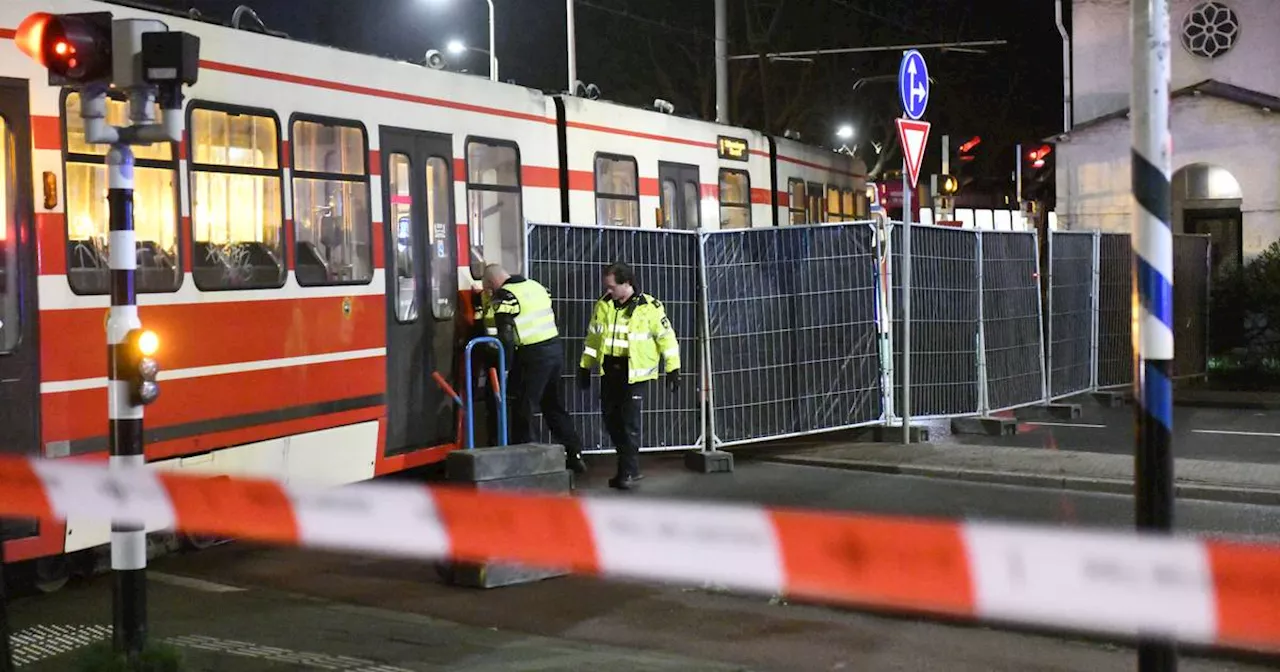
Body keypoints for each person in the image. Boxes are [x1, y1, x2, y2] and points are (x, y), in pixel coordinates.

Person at [577, 262, 680, 490]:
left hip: (634, 374)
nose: (608, 291)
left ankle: (629, 471)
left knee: (628, 424)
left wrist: (673, 368)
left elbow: (667, 339)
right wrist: (585, 365)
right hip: (609, 372)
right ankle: (627, 467)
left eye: (612, 287)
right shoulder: (604, 305)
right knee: (610, 421)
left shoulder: (649, 307)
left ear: (627, 283)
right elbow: (593, 339)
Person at [482, 264, 587, 474]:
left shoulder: (505, 297)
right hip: (554, 350)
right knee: (554, 405)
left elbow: (506, 337)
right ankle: (574, 453)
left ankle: (527, 461)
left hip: (531, 356)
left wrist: (505, 366)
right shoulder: (537, 286)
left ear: (491, 283)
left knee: (523, 406)